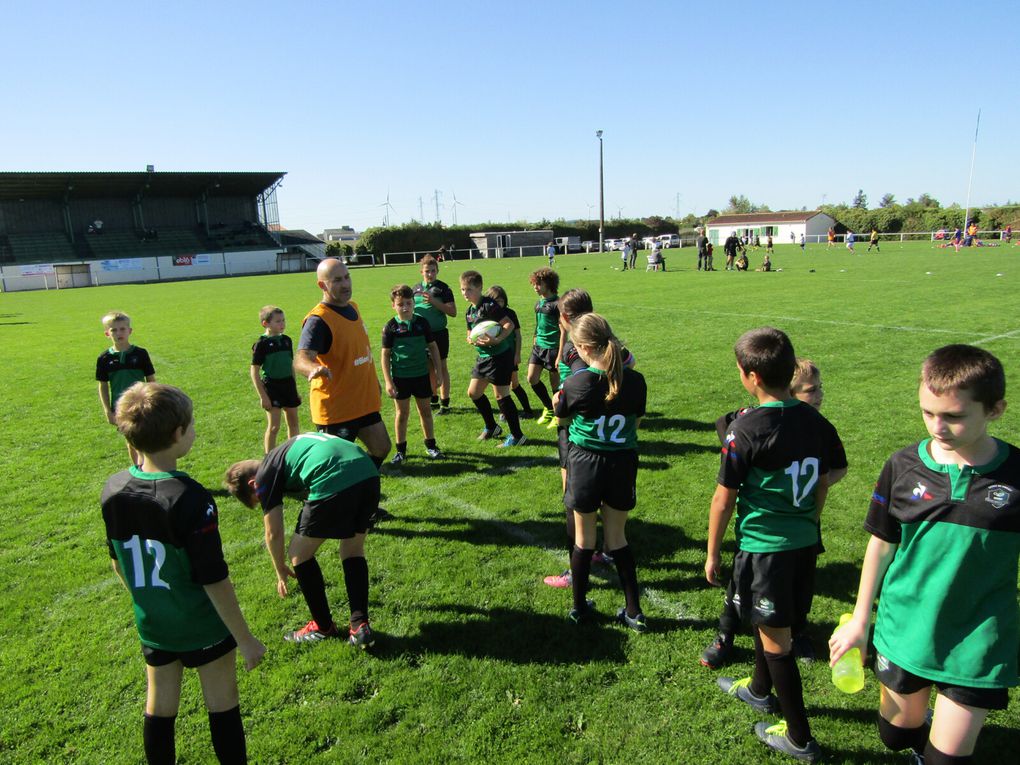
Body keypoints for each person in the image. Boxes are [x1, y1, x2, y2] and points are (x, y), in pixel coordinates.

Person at [830, 345, 1018, 765]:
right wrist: (861, 620)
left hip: (976, 640)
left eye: (953, 416)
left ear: (995, 409)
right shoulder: (902, 466)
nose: (938, 426)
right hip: (905, 629)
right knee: (896, 736)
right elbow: (881, 544)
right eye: (928, 412)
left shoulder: (1016, 476)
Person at [103, 383, 265, 764]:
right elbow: (213, 578)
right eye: (190, 424)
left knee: (160, 706)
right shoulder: (189, 497)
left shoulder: (113, 488)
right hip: (201, 625)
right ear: (177, 434)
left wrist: (152, 603)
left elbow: (117, 561)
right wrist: (245, 639)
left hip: (154, 624)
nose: (193, 429)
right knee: (222, 705)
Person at [707, 327, 838, 763]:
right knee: (771, 625)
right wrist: (811, 509)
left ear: (751, 377)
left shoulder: (746, 429)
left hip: (767, 549)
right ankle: (760, 691)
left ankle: (800, 737)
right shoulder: (816, 420)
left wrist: (711, 553)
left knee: (776, 638)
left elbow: (724, 499)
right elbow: (833, 470)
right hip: (804, 543)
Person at [702, 358, 847, 669]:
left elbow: (838, 468)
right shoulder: (752, 421)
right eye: (811, 390)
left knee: (799, 583)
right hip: (760, 530)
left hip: (802, 525)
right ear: (789, 391)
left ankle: (799, 631)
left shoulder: (818, 426)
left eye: (820, 388)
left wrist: (802, 487)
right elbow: (723, 425)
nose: (819, 394)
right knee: (741, 582)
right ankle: (725, 634)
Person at [224, 431, 380, 647]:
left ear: (253, 484)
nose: (264, 501)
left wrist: (280, 568)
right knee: (352, 550)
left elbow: (273, 532)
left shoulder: (264, 475)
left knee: (299, 555)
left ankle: (323, 627)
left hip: (335, 476)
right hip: (368, 472)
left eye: (258, 500)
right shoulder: (282, 453)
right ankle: (359, 627)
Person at [553, 313, 647, 632]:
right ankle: (634, 611)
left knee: (584, 540)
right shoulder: (636, 381)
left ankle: (580, 608)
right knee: (618, 539)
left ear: (581, 347)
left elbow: (562, 416)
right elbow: (635, 423)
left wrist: (558, 402)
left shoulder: (577, 381)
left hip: (585, 463)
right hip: (621, 463)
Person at [543, 290, 635, 590]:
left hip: (580, 438)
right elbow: (629, 361)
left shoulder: (578, 352)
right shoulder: (606, 341)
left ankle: (578, 566)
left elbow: (586, 388)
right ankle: (605, 551)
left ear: (566, 318)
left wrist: (566, 402)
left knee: (574, 503)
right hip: (615, 444)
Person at [295, 258, 391, 470]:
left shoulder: (353, 308)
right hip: (337, 409)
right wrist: (313, 368)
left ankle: (358, 478)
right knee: (335, 467)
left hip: (363, 401)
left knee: (381, 447)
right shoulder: (318, 320)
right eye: (337, 280)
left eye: (347, 277)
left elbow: (360, 351)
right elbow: (301, 359)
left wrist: (373, 381)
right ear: (322, 285)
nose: (346, 284)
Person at [460, 270, 527, 447]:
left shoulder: (489, 305)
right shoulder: (469, 311)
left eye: (469, 289)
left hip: (499, 356)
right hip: (483, 358)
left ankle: (517, 435)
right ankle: (492, 427)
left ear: (479, 287)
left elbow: (509, 324)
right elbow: (470, 331)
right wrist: (470, 338)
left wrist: (497, 339)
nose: (465, 293)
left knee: (501, 395)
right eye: (462, 290)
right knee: (473, 393)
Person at [381, 285, 443, 465]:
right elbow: (385, 355)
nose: (405, 307)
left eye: (409, 303)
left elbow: (433, 347)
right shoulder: (390, 327)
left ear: (414, 303)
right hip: (400, 377)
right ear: (394, 305)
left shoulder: (422, 323)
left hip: (421, 375)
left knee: (425, 411)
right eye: (401, 304)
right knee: (402, 413)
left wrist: (438, 372)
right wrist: (388, 381)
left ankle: (431, 446)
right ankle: (400, 450)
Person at [96, 310, 157, 466]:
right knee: (131, 441)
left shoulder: (141, 354)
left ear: (130, 331)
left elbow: (151, 380)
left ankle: (148, 468)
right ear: (107, 334)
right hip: (121, 407)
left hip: (142, 404)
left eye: (122, 329)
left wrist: (154, 401)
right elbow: (103, 385)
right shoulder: (104, 358)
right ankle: (138, 469)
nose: (119, 333)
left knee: (146, 440)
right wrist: (107, 411)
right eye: (114, 330)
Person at [250, 306, 301, 454]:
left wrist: (295, 389)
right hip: (272, 387)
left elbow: (290, 365)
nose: (282, 324)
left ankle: (294, 454)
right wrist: (263, 396)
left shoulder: (287, 341)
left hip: (288, 386)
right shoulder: (261, 344)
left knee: (294, 423)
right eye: (278, 321)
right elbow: (254, 370)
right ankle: (269, 457)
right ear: (265, 324)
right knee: (274, 427)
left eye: (283, 320)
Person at [412, 255, 457, 415]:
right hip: (421, 336)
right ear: (421, 272)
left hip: (438, 334)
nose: (430, 274)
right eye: (426, 271)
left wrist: (433, 302)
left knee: (441, 367)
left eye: (433, 271)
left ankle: (445, 403)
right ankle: (434, 398)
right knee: (428, 367)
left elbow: (452, 312)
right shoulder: (415, 289)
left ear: (437, 271)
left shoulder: (443, 288)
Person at [486, 285, 534, 418]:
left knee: (514, 384)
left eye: (500, 301)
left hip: (509, 355)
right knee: (497, 385)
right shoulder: (488, 314)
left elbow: (518, 335)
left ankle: (528, 410)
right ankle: (504, 412)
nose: (498, 304)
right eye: (495, 301)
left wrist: (517, 354)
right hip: (494, 356)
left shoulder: (510, 314)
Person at [527, 268, 561, 426]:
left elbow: (564, 330)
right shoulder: (538, 303)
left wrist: (560, 353)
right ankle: (549, 407)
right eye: (534, 284)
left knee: (555, 384)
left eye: (538, 284)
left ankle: (558, 413)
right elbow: (538, 324)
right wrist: (535, 337)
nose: (535, 287)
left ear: (549, 284)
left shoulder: (557, 305)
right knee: (532, 378)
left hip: (553, 348)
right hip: (538, 347)